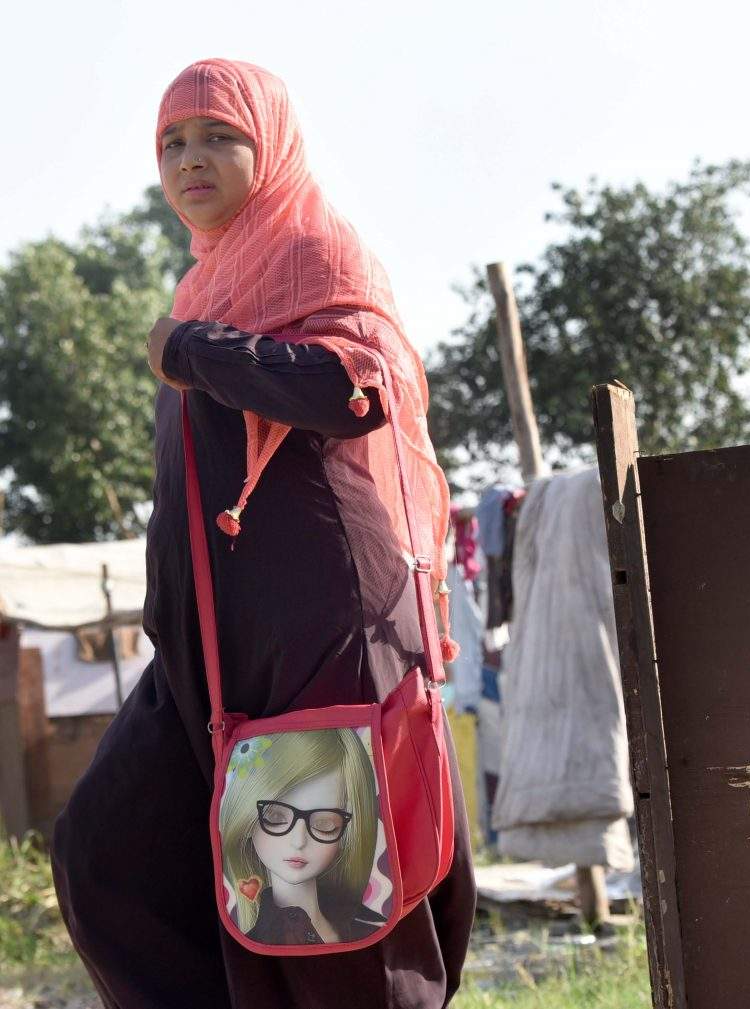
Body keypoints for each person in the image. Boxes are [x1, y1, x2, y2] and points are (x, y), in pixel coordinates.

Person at [50, 59, 475, 1009]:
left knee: (320, 909)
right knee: (103, 853)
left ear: (270, 146)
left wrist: (193, 352)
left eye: (217, 135)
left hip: (317, 628)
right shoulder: (205, 285)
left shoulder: (316, 254)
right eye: (171, 142)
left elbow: (351, 390)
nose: (189, 159)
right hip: (208, 650)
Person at [220, 729, 385, 947]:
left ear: (348, 829)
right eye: (276, 817)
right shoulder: (246, 942)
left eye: (324, 823)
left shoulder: (373, 932)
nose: (299, 841)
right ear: (247, 818)